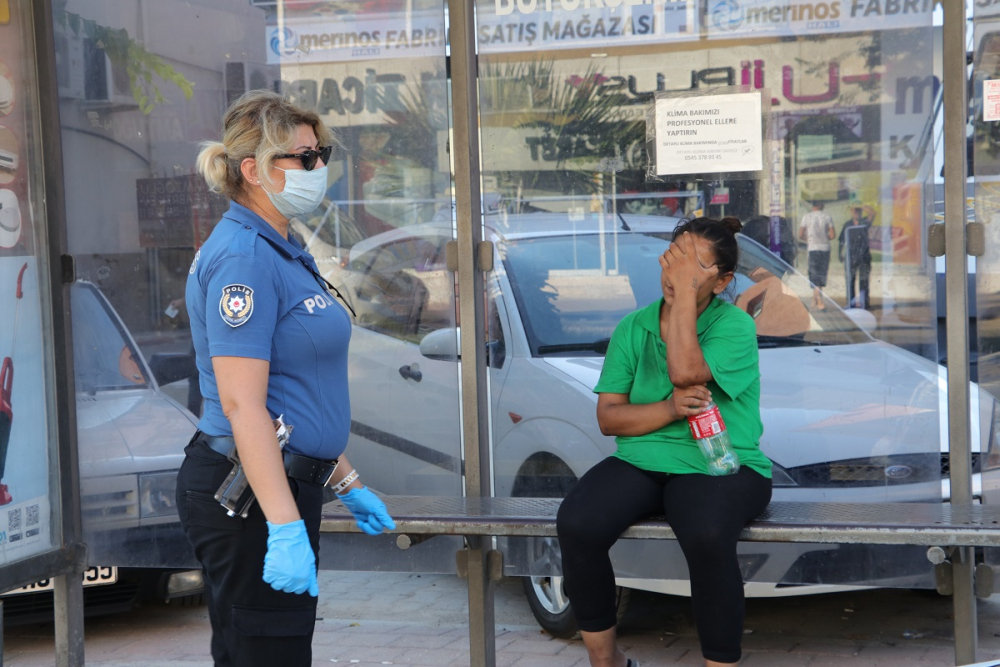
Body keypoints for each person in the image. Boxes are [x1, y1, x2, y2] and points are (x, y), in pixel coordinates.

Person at [176, 90, 395, 667]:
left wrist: (345, 480)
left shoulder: (284, 248)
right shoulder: (245, 258)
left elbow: (295, 396)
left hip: (279, 483)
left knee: (276, 648)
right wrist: (283, 525)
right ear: (252, 171)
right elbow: (244, 406)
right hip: (249, 493)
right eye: (301, 157)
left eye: (319, 153)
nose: (318, 167)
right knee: (268, 653)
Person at [556, 217, 773, 667]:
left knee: (708, 534)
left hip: (722, 464)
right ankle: (607, 661)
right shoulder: (633, 328)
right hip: (644, 459)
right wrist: (670, 410)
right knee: (578, 524)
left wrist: (682, 309)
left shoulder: (735, 327)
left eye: (692, 267)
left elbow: (686, 373)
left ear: (723, 281)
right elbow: (609, 418)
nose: (675, 275)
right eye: (673, 260)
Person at [797, 201, 835, 310]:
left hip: (813, 248)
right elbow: (832, 235)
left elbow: (800, 234)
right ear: (821, 205)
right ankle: (819, 300)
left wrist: (809, 240)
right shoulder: (827, 217)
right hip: (824, 248)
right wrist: (824, 238)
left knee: (814, 274)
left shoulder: (806, 217)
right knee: (821, 274)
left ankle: (817, 299)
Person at [838, 203, 874, 309]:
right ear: (851, 212)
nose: (856, 212)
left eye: (858, 210)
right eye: (854, 210)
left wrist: (861, 206)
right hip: (851, 256)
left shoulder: (864, 222)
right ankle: (851, 302)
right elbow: (841, 240)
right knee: (850, 280)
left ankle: (864, 303)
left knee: (864, 281)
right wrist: (840, 254)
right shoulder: (847, 224)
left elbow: (872, 213)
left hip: (864, 256)